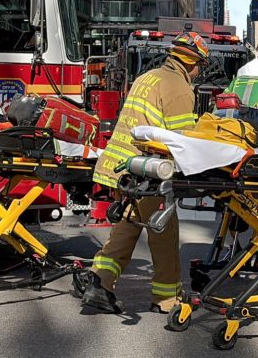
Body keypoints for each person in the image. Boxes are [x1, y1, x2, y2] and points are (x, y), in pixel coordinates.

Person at [84, 32, 206, 314]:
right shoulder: (178, 87)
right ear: (191, 63)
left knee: (128, 226)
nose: (200, 71)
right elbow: (182, 138)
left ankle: (100, 282)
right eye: (200, 64)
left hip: (124, 167)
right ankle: (166, 299)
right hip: (148, 170)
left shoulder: (148, 77)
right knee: (163, 231)